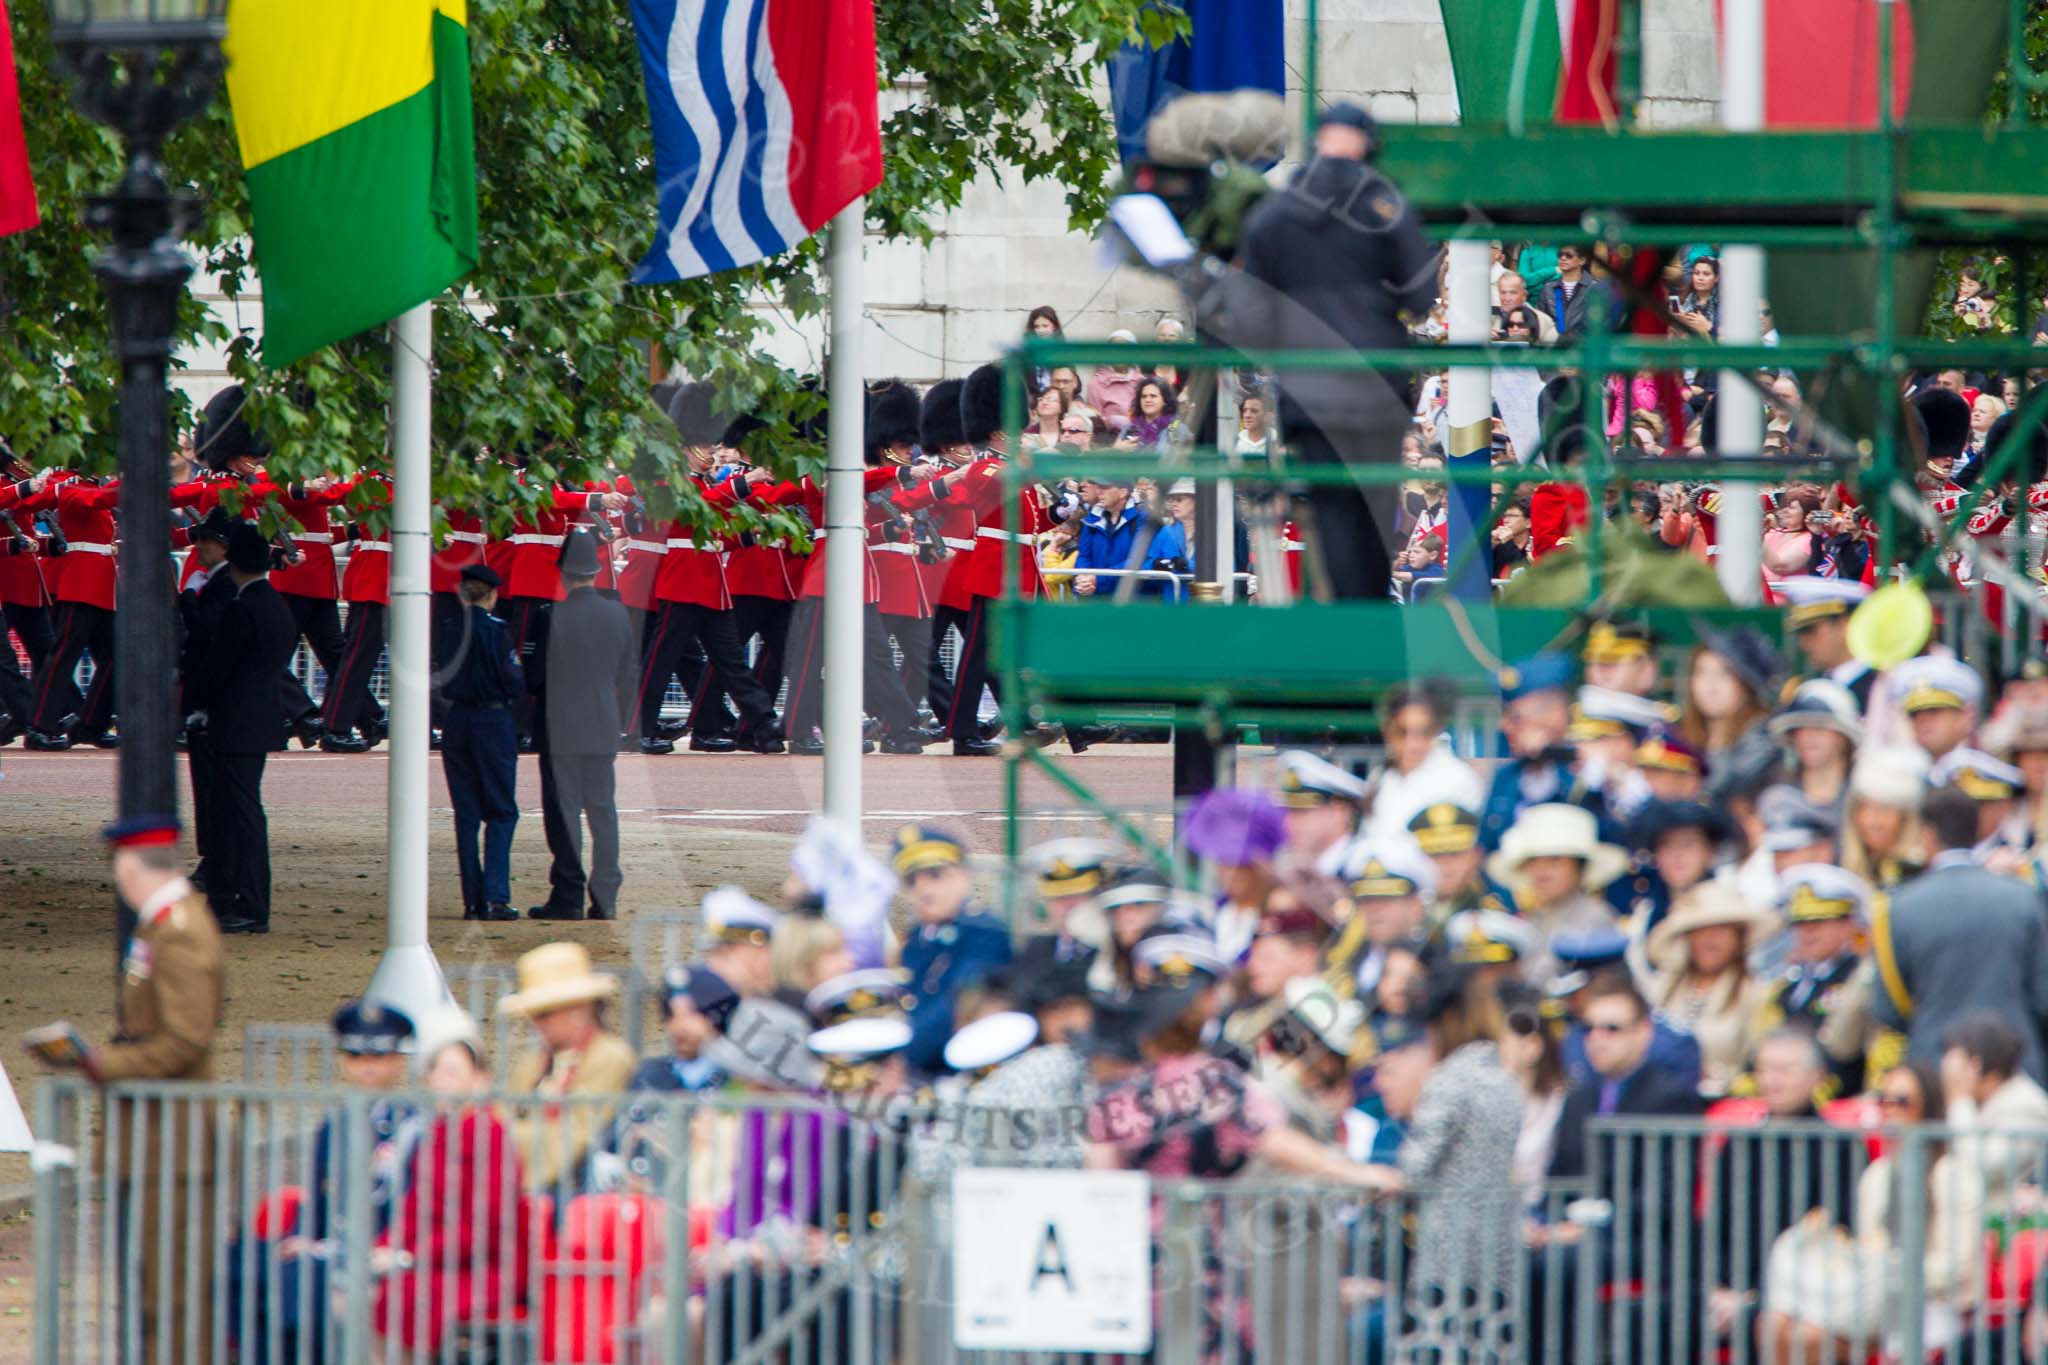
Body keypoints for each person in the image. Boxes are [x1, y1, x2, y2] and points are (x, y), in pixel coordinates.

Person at [1229, 100, 1437, 600]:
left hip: (1309, 386)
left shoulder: (1274, 212)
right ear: (1366, 143)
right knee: (1372, 506)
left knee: (1331, 508)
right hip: (1377, 381)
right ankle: (1368, 616)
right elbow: (1422, 296)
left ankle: (1349, 618)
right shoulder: (1387, 204)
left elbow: (1250, 307)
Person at [46, 816, 225, 1365]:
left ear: (130, 868)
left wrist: (104, 1063)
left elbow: (186, 1038)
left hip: (172, 1141)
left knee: (170, 1289)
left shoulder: (178, 932)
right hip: (157, 1138)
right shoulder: (165, 924)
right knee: (155, 1282)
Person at [1761, 1061, 1983, 1364]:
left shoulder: (1955, 1176)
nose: (1890, 1109)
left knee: (1808, 1338)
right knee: (1773, 1324)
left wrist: (1893, 1268)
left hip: (1931, 1306)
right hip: (1874, 1305)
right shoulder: (1876, 1175)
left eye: (1902, 1101)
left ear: (1926, 1107)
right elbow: (1868, 1247)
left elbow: (1958, 1265)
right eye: (1883, 1100)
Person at [374, 1007, 529, 1360]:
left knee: (412, 1296)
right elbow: (415, 1206)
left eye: (453, 1072)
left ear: (481, 1079)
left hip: (488, 1266)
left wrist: (410, 1255)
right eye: (436, 1072)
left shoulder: (493, 1135)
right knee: (392, 1293)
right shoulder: (438, 1134)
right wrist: (386, 1245)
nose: (442, 1081)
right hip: (441, 1262)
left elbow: (484, 1226)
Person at [1872, 785, 2048, 1083]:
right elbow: (2043, 995)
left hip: (1935, 1070)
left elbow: (1889, 1006)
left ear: (1928, 834)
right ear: (1976, 828)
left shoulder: (1896, 907)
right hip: (2016, 1067)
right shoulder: (2023, 896)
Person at [1397, 970, 1525, 1357]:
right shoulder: (1504, 1081)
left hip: (1447, 1249)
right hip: (1496, 1246)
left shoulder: (1450, 1079)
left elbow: (1417, 1166)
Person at [1705, 1030, 1860, 1342]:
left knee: (1766, 1326)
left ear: (1817, 1077)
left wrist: (1751, 1298)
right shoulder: (1739, 1143)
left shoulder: (1841, 1148)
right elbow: (1713, 1225)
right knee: (1651, 1316)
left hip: (1801, 1292)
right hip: (1728, 1286)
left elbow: (1841, 1234)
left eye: (1785, 1070)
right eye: (1765, 1069)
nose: (1773, 1080)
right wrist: (1716, 1286)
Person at [183, 522, 298, 934]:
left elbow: (218, 667)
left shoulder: (242, 607)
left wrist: (190, 700)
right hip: (261, 717)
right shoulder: (275, 605)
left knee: (237, 815)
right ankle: (243, 900)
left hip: (234, 720)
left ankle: (246, 902)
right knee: (242, 812)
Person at [526, 529, 639, 921]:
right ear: (596, 570)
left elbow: (532, 677)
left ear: (563, 573)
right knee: (603, 812)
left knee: (564, 814)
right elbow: (628, 673)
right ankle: (605, 895)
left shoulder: (549, 615)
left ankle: (568, 894)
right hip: (602, 722)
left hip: (559, 727)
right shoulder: (616, 613)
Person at [498, 941, 637, 1194]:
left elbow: (578, 1134)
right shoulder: (533, 1061)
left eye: (545, 1014)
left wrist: (505, 1138)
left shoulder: (611, 1057)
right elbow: (500, 1117)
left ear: (579, 1009)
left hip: (579, 1186)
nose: (536, 1023)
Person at [436, 563, 524, 922]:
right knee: (502, 810)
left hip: (457, 719)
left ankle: (472, 899)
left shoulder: (447, 630)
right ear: (491, 594)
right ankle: (495, 895)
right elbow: (512, 679)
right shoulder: (497, 631)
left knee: (467, 813)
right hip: (492, 719)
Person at [892, 825, 1011, 1076]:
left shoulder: (985, 932)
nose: (923, 890)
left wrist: (897, 1056)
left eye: (935, 875)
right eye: (912, 881)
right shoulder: (917, 940)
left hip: (960, 1073)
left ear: (964, 875)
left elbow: (955, 1007)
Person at [1642, 882, 1776, 1097]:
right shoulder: (1661, 987)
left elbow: (1759, 1064)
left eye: (1720, 931)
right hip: (1658, 1104)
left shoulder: (1757, 993)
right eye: (1699, 931)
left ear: (1739, 937)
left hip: (1722, 1107)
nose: (1709, 940)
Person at [1484, 802, 1626, 985]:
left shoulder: (1595, 917)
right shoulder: (1534, 917)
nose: (1541, 871)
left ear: (1579, 867)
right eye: (1533, 861)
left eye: (1554, 860)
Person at [1939, 1010, 2048, 1205]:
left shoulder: (2027, 1105)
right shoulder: (1978, 1103)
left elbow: (1980, 1164)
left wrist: (1959, 1100)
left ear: (1976, 1065)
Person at [1479, 653, 1577, 851]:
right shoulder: (1505, 776)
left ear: (1554, 716)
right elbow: (1487, 844)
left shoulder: (1581, 766)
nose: (1504, 726)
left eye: (1514, 718)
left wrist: (1545, 758)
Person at [1367, 680, 1485, 844]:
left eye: (1423, 733)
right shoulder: (1382, 776)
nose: (1413, 744)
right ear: (1386, 730)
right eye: (1403, 732)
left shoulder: (1457, 779)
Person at [630, 964, 740, 1093]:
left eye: (692, 1014)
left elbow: (758, 1113)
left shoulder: (742, 1081)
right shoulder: (646, 1078)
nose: (679, 1026)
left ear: (719, 1018)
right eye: (671, 1015)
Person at [1765, 679, 1861, 815]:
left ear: (1843, 737)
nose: (1808, 736)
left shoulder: (1864, 800)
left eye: (1820, 726)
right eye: (1800, 728)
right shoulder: (1776, 800)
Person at [1840, 744, 1929, 889]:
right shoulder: (1844, 875)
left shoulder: (1922, 873)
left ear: (1905, 816)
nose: (1871, 820)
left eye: (1884, 809)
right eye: (1863, 807)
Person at [1273, 749, 1367, 877]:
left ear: (1337, 811)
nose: (1289, 822)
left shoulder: (1362, 871)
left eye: (1301, 812)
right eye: (1287, 812)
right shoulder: (1302, 873)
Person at [1893, 654, 1984, 762]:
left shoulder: (1982, 775)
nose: (1922, 719)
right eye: (1914, 713)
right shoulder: (1901, 774)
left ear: (1966, 716)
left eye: (1934, 710)